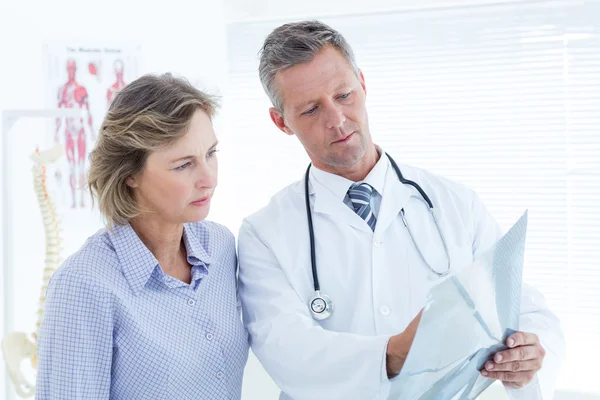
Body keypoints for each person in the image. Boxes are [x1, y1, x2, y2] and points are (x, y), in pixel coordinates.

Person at [237, 20, 564, 400]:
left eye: (343, 95)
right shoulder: (265, 234)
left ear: (362, 83)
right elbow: (287, 353)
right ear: (282, 123)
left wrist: (527, 357)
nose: (337, 120)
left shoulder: (455, 204)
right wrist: (391, 354)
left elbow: (527, 310)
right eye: (310, 110)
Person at [36, 74, 249, 399]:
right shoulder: (83, 285)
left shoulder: (220, 248)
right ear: (130, 173)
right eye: (183, 165)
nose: (209, 179)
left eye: (211, 153)